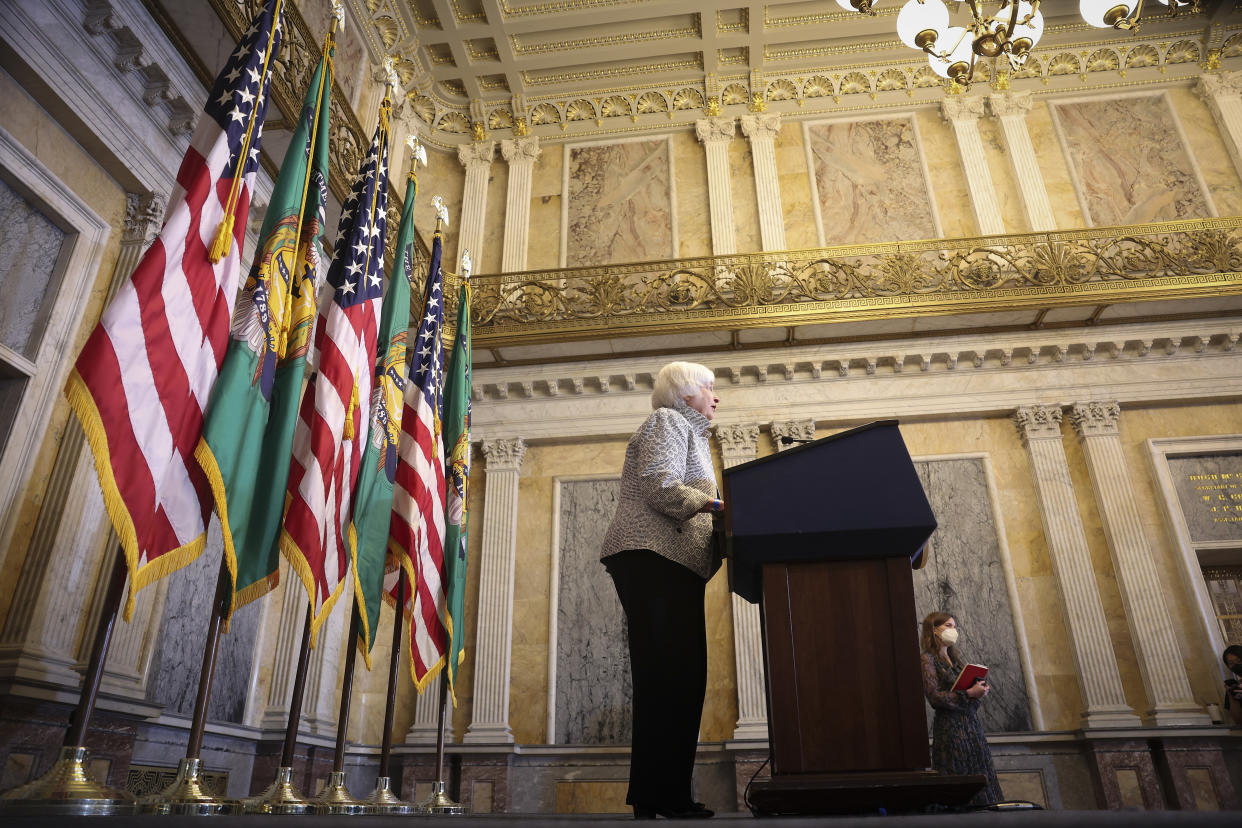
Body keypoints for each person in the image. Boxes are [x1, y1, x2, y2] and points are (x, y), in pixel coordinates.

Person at [600, 361, 722, 821]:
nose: (716, 395)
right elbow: (660, 485)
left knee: (676, 680)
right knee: (671, 678)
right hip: (653, 557)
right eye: (709, 387)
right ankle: (663, 795)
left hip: (671, 564)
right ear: (685, 392)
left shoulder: (691, 432)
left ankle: (658, 795)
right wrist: (715, 504)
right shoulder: (668, 420)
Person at [920, 612, 1003, 808]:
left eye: (954, 626)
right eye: (948, 625)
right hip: (951, 728)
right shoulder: (927, 659)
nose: (953, 630)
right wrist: (968, 694)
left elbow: (967, 692)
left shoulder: (954, 659)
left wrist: (979, 691)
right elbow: (934, 697)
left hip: (971, 726)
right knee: (957, 775)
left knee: (980, 773)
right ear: (934, 630)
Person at [1222, 644, 1242, 728]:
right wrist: (1230, 694)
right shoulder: (1235, 687)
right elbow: (1238, 720)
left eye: (1239, 661)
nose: (1236, 665)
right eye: (1231, 663)